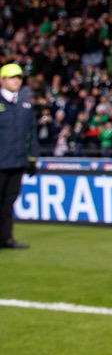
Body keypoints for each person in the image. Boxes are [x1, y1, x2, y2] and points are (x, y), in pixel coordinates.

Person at [0, 63, 40, 249]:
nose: (16, 80)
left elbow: (31, 132)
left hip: (17, 162)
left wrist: (32, 158)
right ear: (2, 80)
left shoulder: (25, 103)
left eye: (19, 77)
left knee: (9, 203)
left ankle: (6, 238)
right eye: (12, 77)